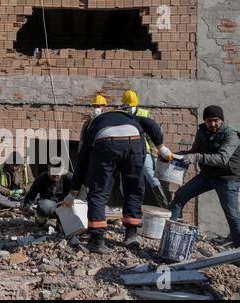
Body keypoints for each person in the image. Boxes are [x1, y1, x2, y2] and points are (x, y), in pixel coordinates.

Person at [64, 110, 174, 254]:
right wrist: (161, 147)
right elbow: (150, 124)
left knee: (99, 192)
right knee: (133, 188)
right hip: (133, 142)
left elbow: (82, 163)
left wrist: (73, 192)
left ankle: (97, 240)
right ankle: (131, 235)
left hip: (105, 144)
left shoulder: (91, 127)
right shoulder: (130, 117)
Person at [170, 105, 240, 249]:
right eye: (209, 121)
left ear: (221, 120)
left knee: (232, 216)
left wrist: (195, 157)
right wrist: (173, 156)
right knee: (180, 196)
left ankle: (238, 251)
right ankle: (171, 236)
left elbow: (222, 159)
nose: (212, 124)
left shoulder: (231, 135)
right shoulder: (202, 132)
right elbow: (194, 152)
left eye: (216, 120)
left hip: (227, 178)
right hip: (207, 176)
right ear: (205, 121)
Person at [120, 90, 169, 208]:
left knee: (149, 173)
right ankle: (128, 206)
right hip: (126, 152)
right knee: (124, 179)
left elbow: (152, 135)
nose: (130, 108)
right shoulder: (120, 115)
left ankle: (164, 204)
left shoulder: (144, 114)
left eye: (132, 106)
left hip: (143, 150)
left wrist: (155, 151)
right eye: (127, 106)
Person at [23, 156, 73, 225]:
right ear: (48, 168)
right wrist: (27, 206)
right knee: (43, 206)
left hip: (65, 207)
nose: (55, 175)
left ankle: (61, 222)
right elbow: (31, 195)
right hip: (48, 207)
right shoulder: (41, 178)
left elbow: (81, 191)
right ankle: (41, 219)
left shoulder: (69, 177)